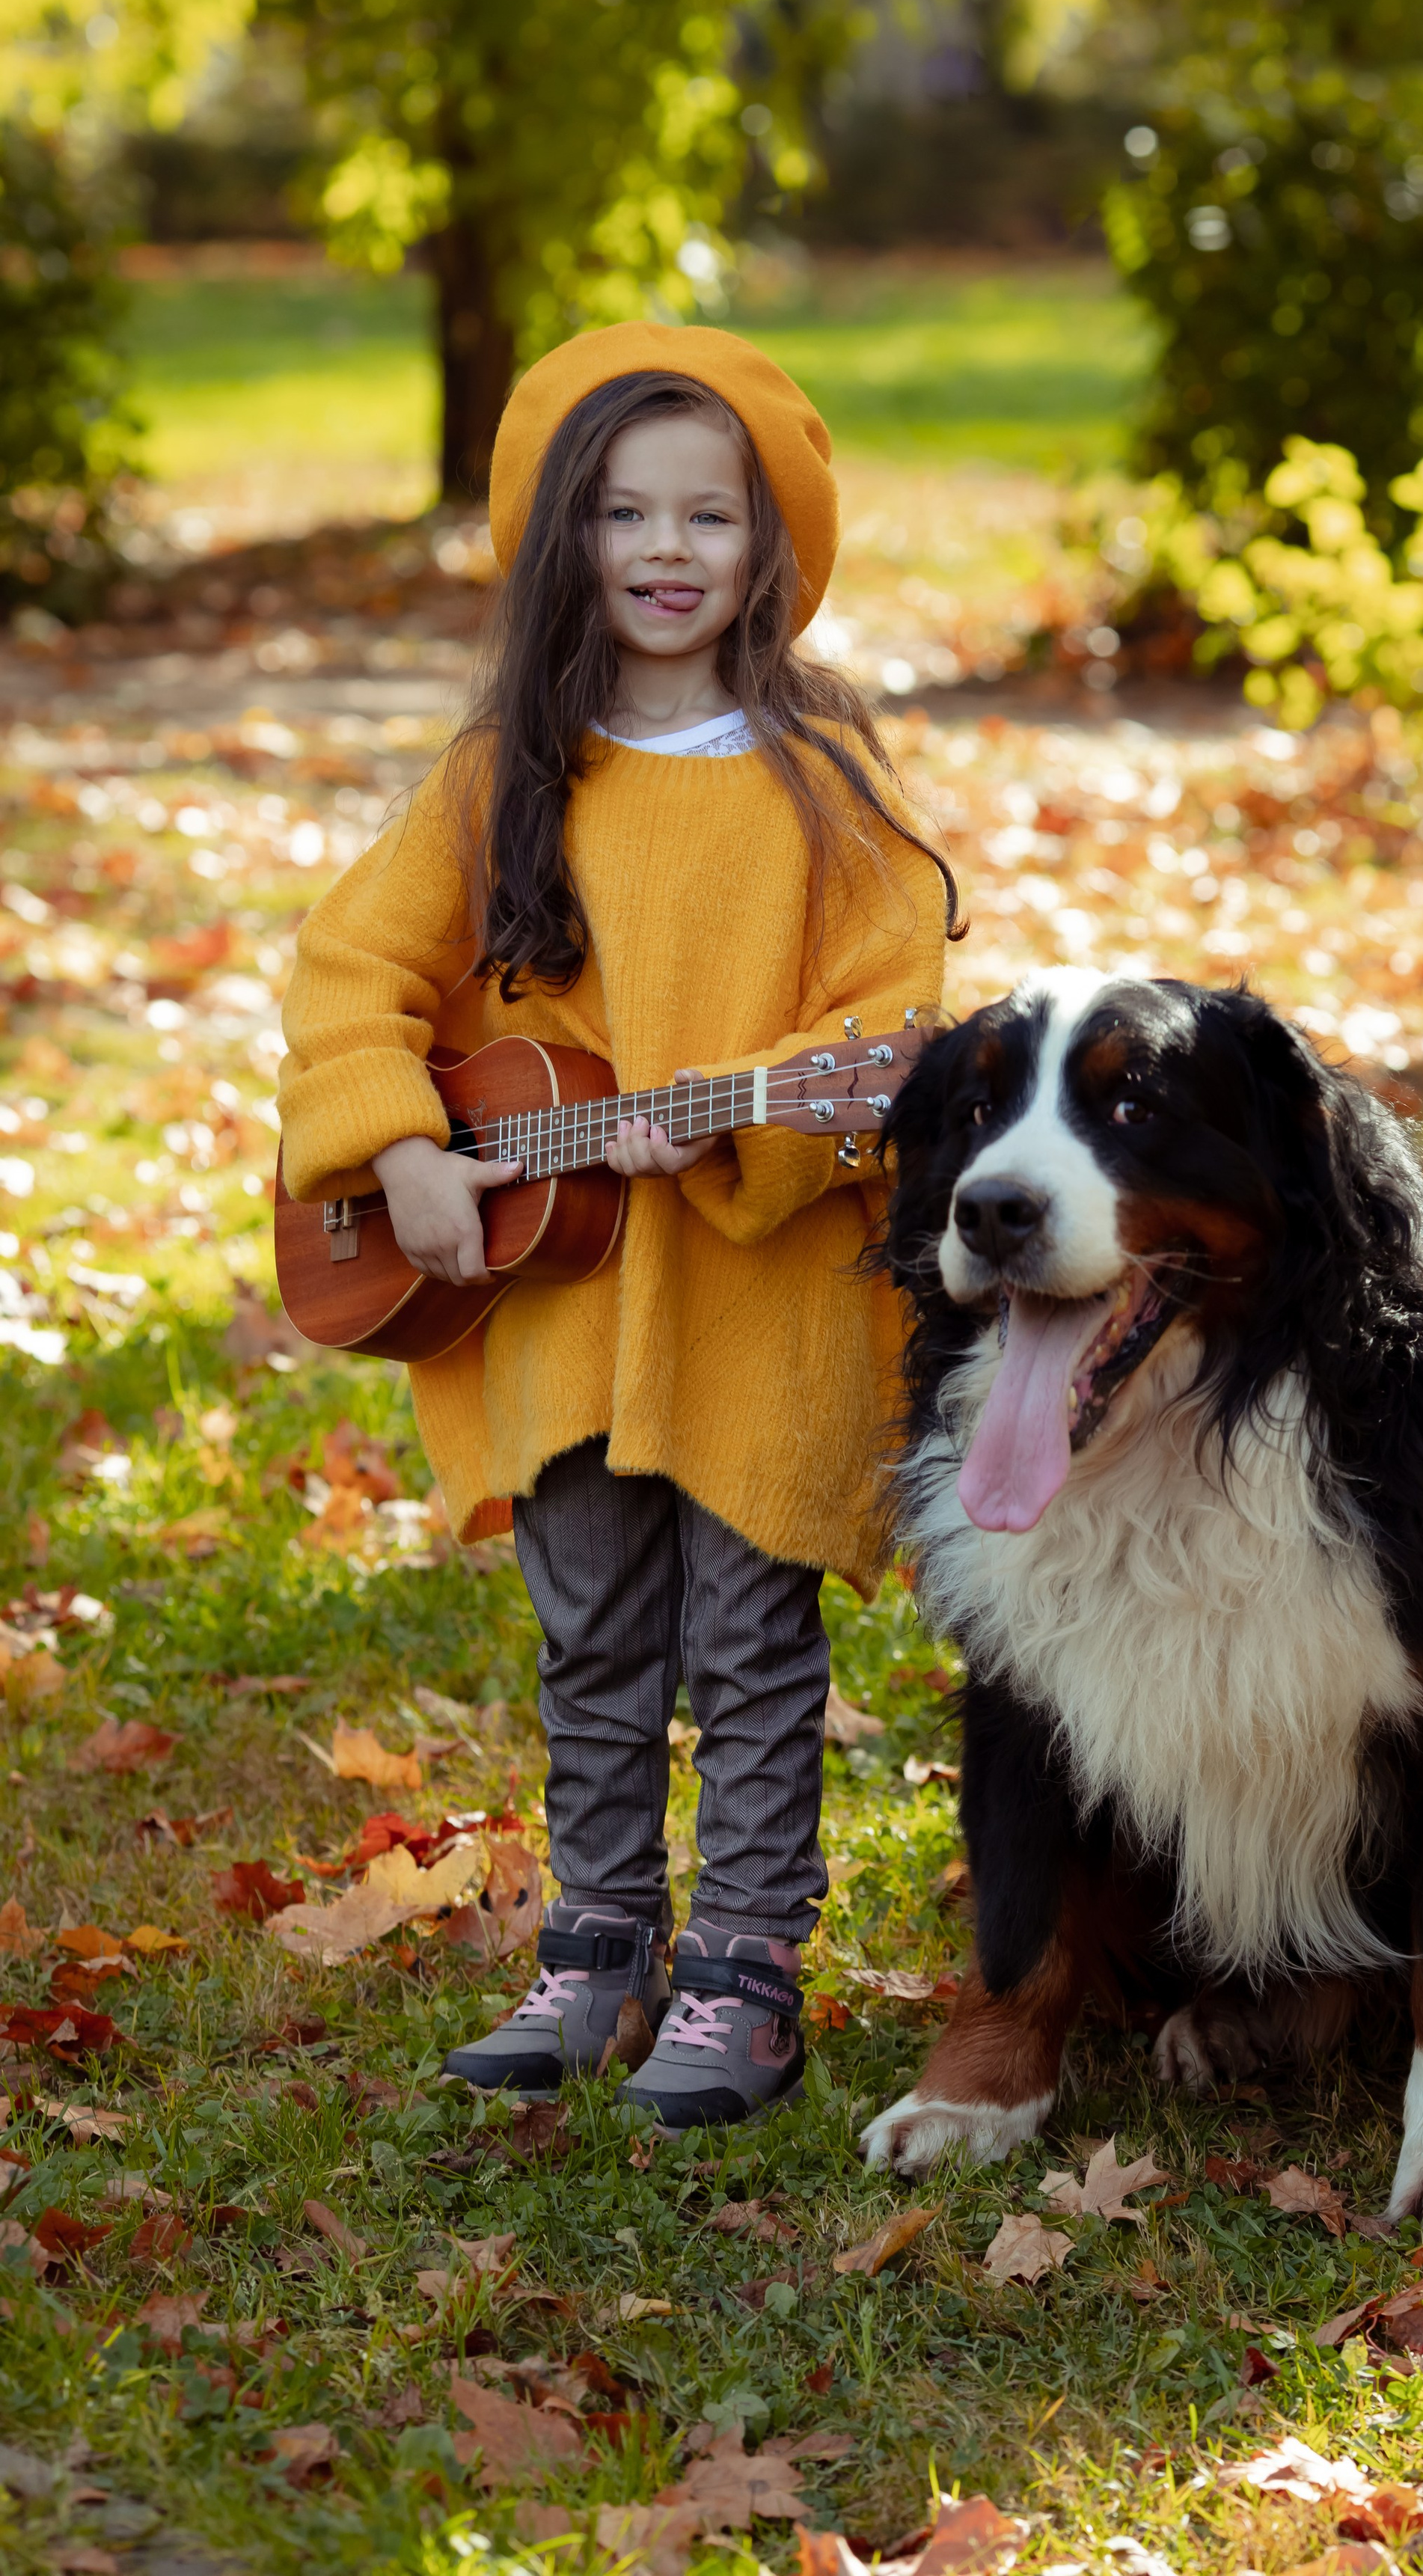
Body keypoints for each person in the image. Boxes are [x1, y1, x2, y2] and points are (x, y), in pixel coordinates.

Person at [276, 325, 955, 2127]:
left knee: (748, 1643)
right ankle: (596, 1945)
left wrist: (751, 1116)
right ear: (565, 534)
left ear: (767, 546)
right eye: (625, 513)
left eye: (708, 516)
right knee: (589, 1631)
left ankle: (743, 1965)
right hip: (563, 1298)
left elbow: (887, 1026)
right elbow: (351, 968)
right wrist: (399, 1147)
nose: (666, 550)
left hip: (754, 1292)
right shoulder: (506, 769)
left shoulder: (824, 780)